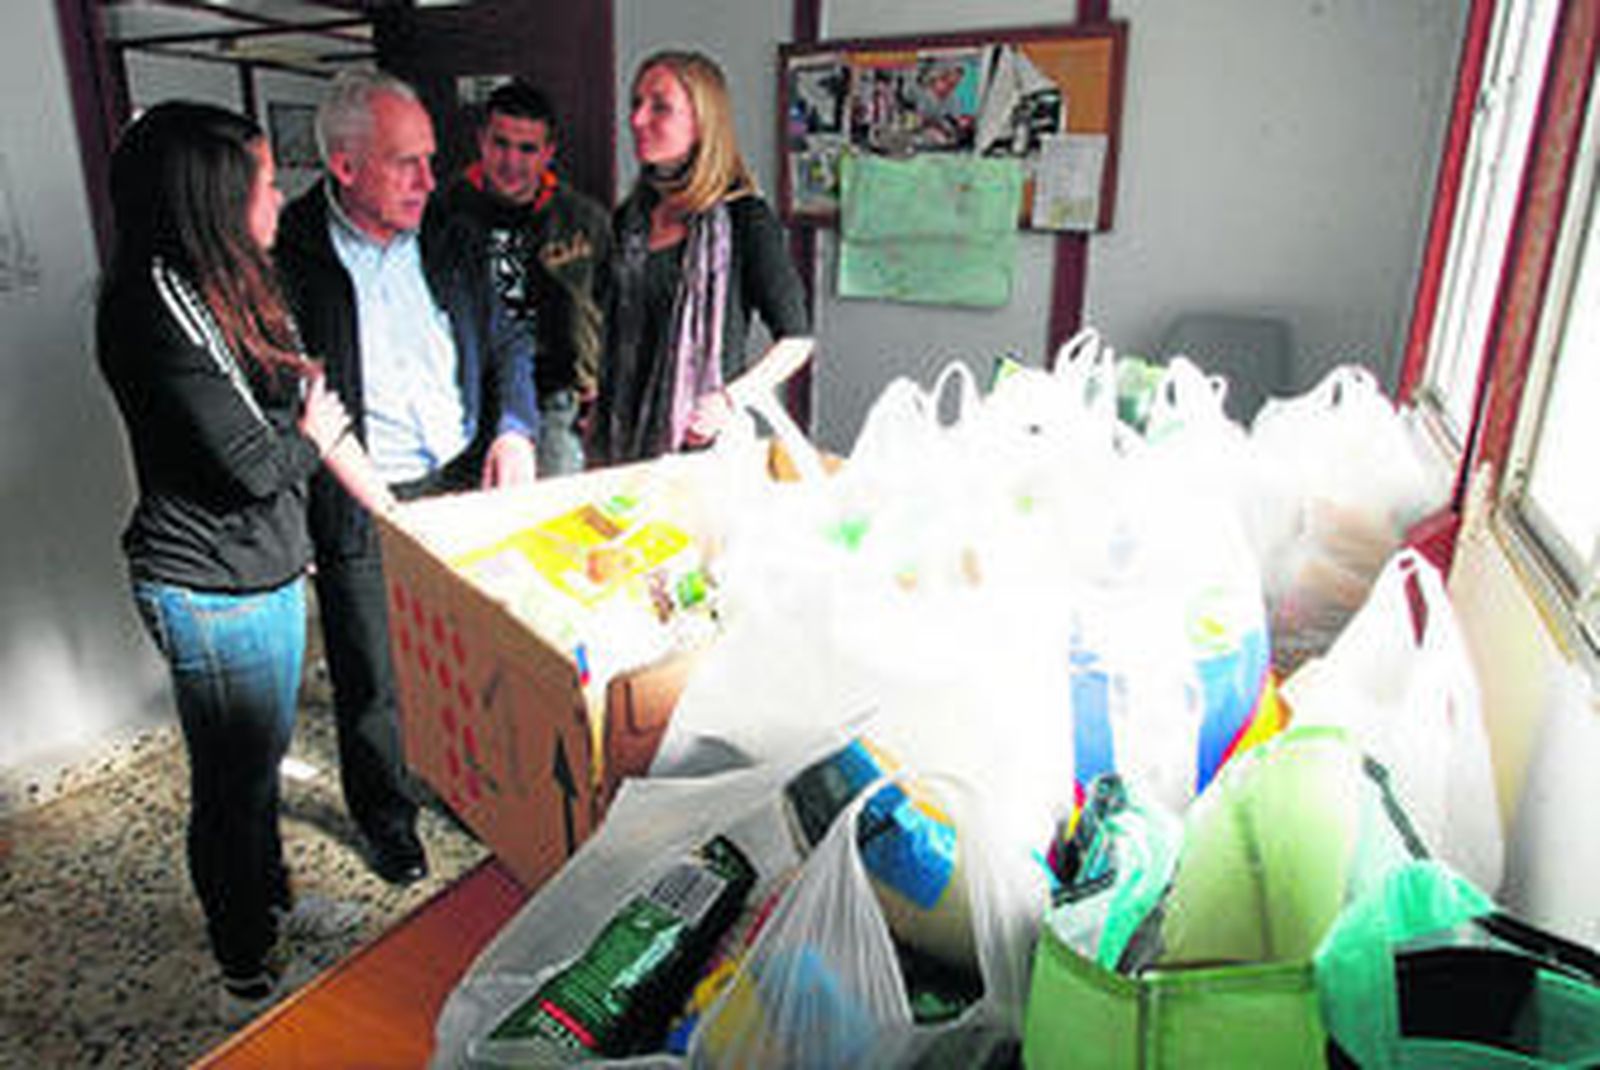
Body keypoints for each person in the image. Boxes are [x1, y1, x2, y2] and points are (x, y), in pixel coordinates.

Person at [96, 101, 396, 1021]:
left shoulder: (226, 282)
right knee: (234, 785)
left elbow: (301, 397)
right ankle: (245, 975)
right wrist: (311, 433)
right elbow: (259, 464)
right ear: (214, 200)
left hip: (259, 572)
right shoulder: (152, 307)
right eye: (265, 183)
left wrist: (385, 504)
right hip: (210, 587)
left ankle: (274, 909)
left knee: (257, 771)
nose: (279, 197)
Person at [274, 71, 539, 887]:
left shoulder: (447, 232)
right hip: (361, 498)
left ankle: (463, 787)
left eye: (431, 160)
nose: (431, 179)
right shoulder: (291, 255)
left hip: (460, 481)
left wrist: (516, 428)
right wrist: (298, 525)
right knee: (374, 679)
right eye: (406, 164)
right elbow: (285, 400)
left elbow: (507, 344)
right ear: (346, 167)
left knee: (466, 656)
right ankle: (387, 819)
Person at [595, 49, 810, 463]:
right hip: (620, 439)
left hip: (702, 447)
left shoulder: (745, 217)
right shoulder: (630, 217)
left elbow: (796, 339)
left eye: (660, 107)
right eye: (636, 104)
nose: (638, 119)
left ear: (702, 122)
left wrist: (728, 401)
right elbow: (609, 320)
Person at [440, 79, 611, 476]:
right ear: (482, 140)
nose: (511, 161)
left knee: (554, 521)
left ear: (548, 153)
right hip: (464, 397)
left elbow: (611, 310)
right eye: (500, 144)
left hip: (554, 399)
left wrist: (599, 389)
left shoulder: (584, 220)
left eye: (527, 149)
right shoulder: (441, 212)